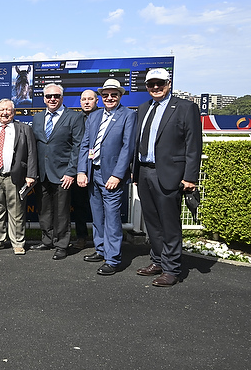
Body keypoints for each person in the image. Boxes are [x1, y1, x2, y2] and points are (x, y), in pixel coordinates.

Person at [133, 68, 202, 287]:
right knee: (152, 222)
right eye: (151, 84)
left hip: (169, 174)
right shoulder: (143, 108)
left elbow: (194, 145)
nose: (155, 87)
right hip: (144, 172)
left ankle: (172, 269)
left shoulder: (185, 108)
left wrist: (190, 177)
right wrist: (136, 172)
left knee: (169, 224)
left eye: (159, 83)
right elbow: (138, 143)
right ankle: (158, 260)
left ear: (168, 83)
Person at [76, 80, 137, 276]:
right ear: (101, 97)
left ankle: (113, 259)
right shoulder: (94, 116)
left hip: (111, 176)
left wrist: (118, 175)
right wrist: (81, 171)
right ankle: (101, 249)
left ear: (120, 96)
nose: (109, 98)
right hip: (93, 173)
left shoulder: (128, 116)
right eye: (106, 95)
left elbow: (128, 148)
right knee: (98, 217)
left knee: (112, 219)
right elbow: (85, 145)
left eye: (114, 95)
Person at [31, 83, 85, 260]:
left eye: (56, 96)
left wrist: (71, 172)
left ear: (62, 97)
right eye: (48, 96)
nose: (52, 99)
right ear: (44, 99)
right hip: (42, 172)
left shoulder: (74, 117)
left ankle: (62, 244)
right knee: (44, 209)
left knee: (62, 211)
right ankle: (47, 240)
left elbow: (78, 146)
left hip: (63, 173)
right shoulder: (38, 118)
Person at [0, 98, 38, 255]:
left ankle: (17, 243)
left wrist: (31, 175)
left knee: (17, 212)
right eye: (2, 110)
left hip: (15, 177)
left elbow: (32, 153)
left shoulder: (24, 129)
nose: (5, 113)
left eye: (8, 110)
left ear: (14, 112)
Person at [70, 89, 98, 249]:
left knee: (99, 207)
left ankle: (102, 239)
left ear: (96, 101)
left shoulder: (103, 117)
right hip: (80, 168)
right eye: (83, 99)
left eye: (90, 99)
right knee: (79, 205)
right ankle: (81, 237)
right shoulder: (75, 119)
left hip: (99, 167)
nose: (86, 102)